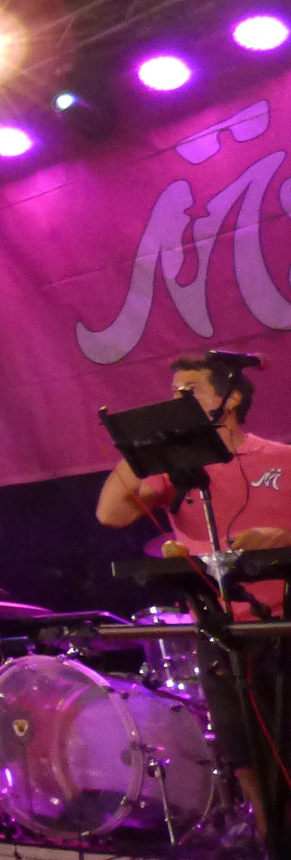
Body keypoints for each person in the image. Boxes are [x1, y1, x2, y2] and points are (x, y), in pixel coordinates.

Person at [95, 353, 291, 828]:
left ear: (232, 398)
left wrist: (280, 538)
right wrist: (141, 447)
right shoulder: (173, 472)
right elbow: (110, 514)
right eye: (174, 394)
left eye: (191, 392)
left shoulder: (282, 458)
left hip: (283, 624)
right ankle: (272, 845)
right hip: (219, 629)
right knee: (243, 754)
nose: (178, 402)